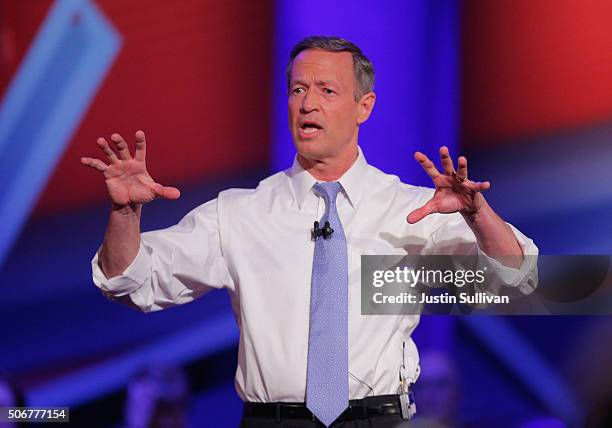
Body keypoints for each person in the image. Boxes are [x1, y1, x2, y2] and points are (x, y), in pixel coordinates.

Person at [82, 36, 538, 427]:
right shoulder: (239, 212)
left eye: (326, 89)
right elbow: (132, 282)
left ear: (364, 106)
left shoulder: (412, 209)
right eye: (297, 89)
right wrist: (125, 214)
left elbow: (517, 278)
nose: (307, 103)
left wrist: (477, 215)